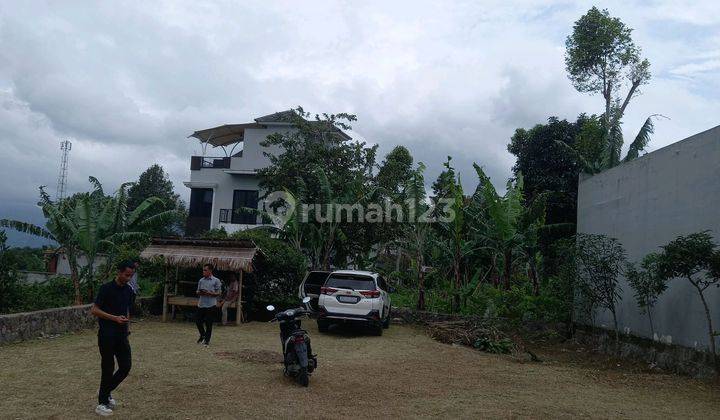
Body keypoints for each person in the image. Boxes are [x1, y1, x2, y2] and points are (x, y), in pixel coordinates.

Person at [90, 260, 135, 417]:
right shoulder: (106, 289)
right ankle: (102, 403)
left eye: (131, 275)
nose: (129, 278)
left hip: (122, 335)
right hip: (107, 335)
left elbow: (127, 310)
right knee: (108, 368)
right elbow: (94, 310)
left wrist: (127, 327)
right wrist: (114, 318)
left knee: (125, 366)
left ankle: (105, 390)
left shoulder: (129, 291)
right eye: (126, 275)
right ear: (119, 272)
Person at [196, 263, 221, 346]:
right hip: (201, 304)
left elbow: (219, 293)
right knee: (198, 321)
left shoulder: (216, 280)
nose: (203, 271)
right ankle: (203, 334)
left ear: (210, 271)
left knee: (208, 323)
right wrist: (200, 292)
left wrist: (210, 293)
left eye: (205, 270)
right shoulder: (201, 280)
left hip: (211, 305)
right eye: (203, 270)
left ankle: (207, 340)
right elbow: (197, 291)